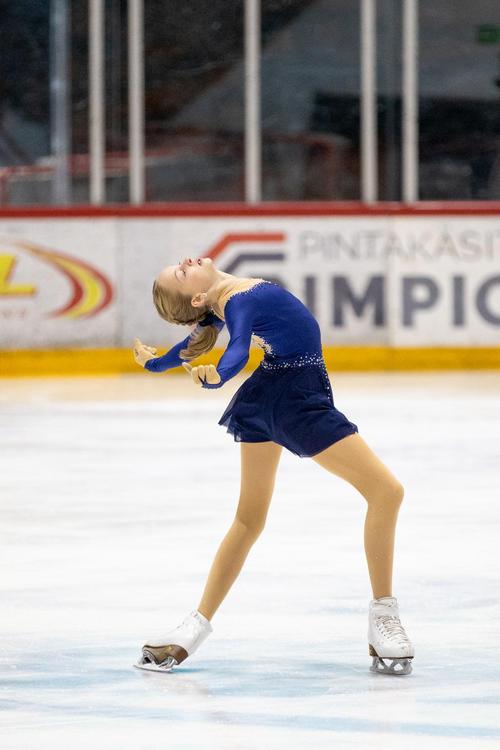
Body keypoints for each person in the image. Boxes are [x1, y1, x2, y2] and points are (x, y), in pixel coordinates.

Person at [132, 256, 414, 676]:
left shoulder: (224, 300)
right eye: (181, 273)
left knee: (248, 520)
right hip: (294, 401)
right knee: (387, 492)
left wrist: (154, 363)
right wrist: (218, 376)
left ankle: (191, 630)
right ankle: (383, 618)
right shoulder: (237, 302)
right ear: (196, 296)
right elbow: (238, 350)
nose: (186, 262)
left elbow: (192, 347)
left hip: (268, 394)